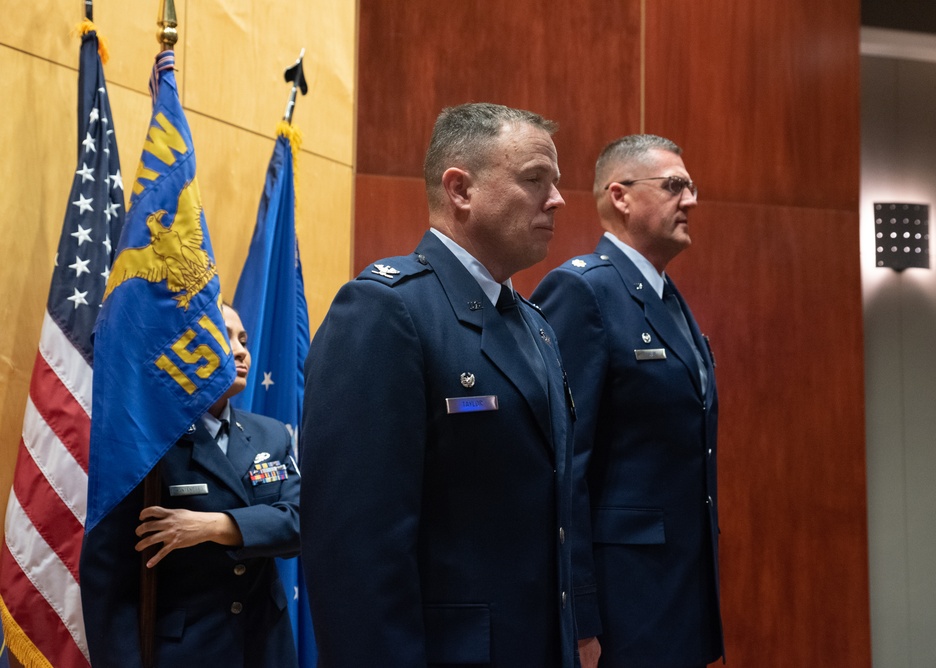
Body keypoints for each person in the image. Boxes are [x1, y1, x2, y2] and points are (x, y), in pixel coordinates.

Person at [300, 102, 577, 667]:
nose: (558, 200)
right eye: (534, 180)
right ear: (460, 189)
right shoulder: (387, 310)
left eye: (556, 182)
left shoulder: (537, 326)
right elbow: (356, 553)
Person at [532, 134, 723, 668]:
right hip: (622, 606)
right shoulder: (583, 291)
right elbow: (564, 465)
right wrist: (580, 616)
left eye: (691, 187)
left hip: (677, 592)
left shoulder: (668, 299)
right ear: (620, 196)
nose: (690, 200)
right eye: (674, 186)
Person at [80, 303, 301, 667]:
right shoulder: (147, 443)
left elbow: (298, 523)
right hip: (187, 651)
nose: (242, 349)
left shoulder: (270, 434)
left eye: (244, 339)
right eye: (225, 336)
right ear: (186, 347)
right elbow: (107, 578)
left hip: (265, 647)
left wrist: (213, 526)